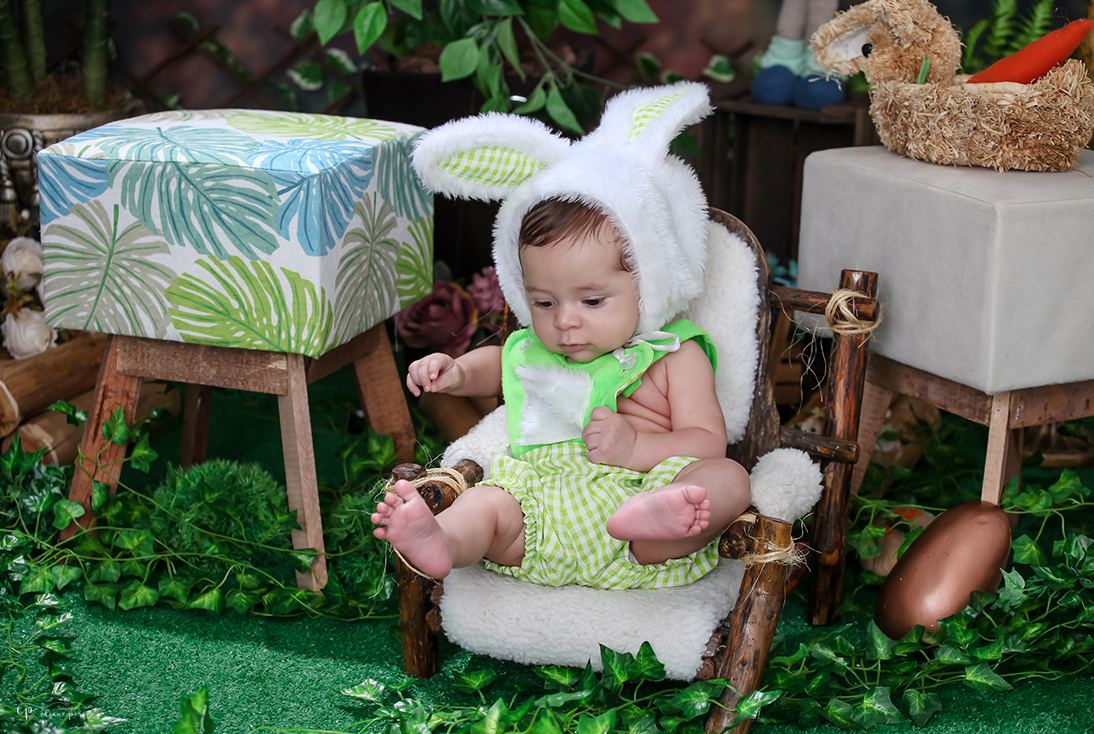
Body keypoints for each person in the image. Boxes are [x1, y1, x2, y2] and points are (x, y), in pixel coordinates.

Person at [371, 194, 751, 590]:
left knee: (730, 478)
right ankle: (443, 540)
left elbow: (708, 441)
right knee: (487, 506)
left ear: (648, 285)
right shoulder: (541, 349)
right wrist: (459, 372)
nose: (565, 320)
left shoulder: (674, 354)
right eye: (545, 302)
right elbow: (502, 364)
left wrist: (636, 448)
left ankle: (654, 523)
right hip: (543, 508)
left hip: (646, 508)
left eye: (592, 300)